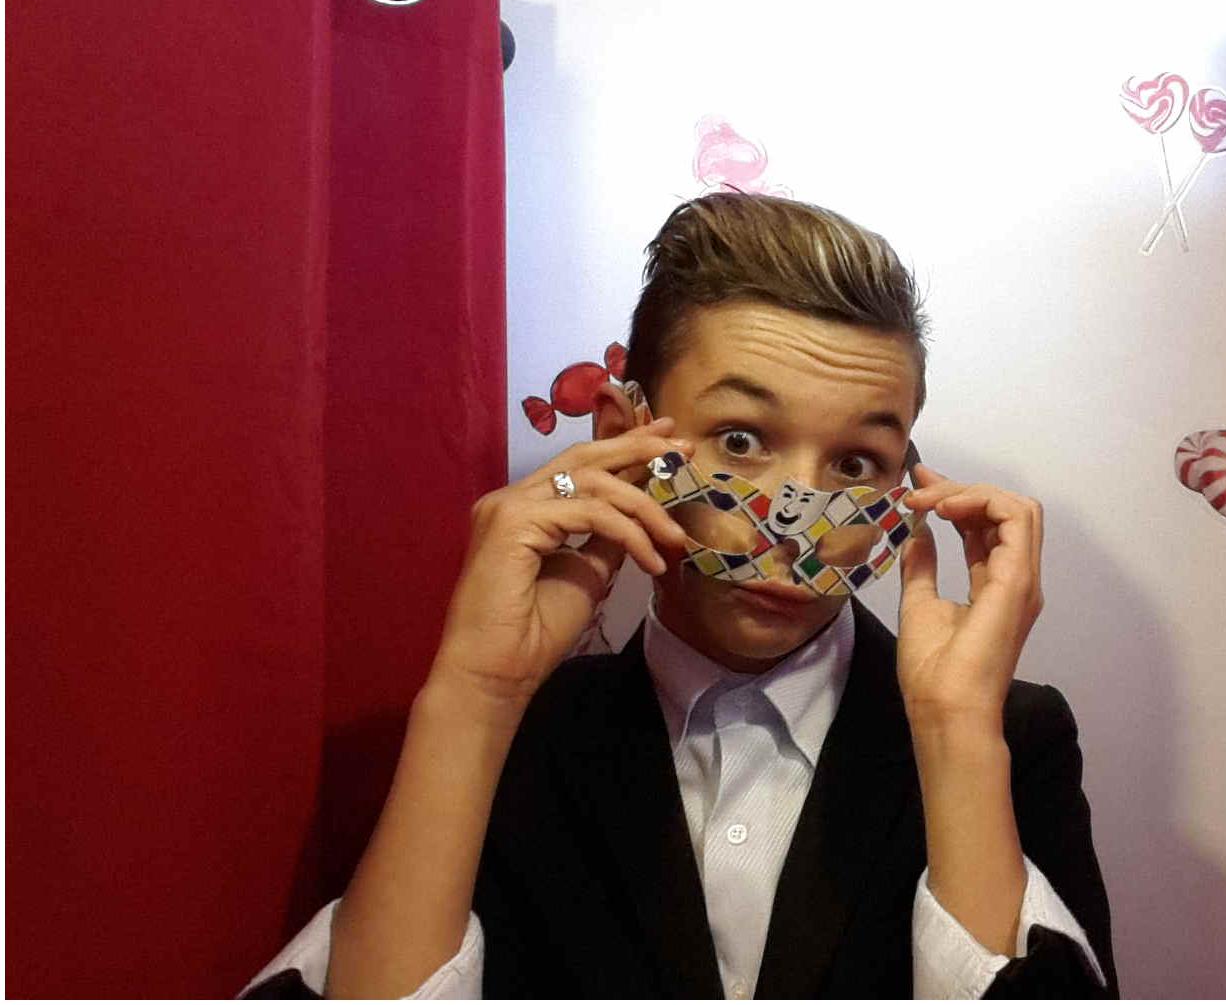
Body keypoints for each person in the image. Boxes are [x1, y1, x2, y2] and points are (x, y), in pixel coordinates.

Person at [250, 190, 1117, 999]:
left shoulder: (1010, 740)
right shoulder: (514, 736)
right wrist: (475, 698)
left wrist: (958, 736)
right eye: (740, 439)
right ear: (623, 436)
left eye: (856, 462)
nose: (793, 529)